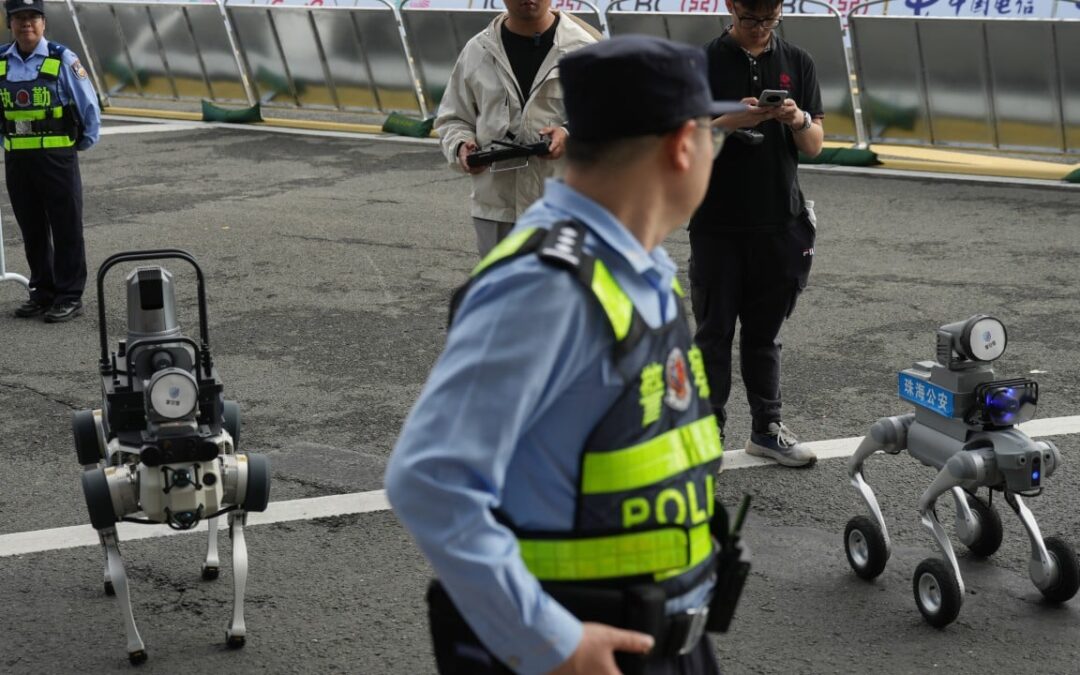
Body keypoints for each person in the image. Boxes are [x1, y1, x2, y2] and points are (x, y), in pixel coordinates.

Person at [387, 36, 745, 675]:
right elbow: (430, 478)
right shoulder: (544, 285)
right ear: (683, 146)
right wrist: (552, 643)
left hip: (667, 641)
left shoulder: (636, 272)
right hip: (586, 651)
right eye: (710, 138)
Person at [688, 0, 824, 467]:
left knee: (765, 336)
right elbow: (679, 142)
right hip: (716, 223)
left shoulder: (798, 61)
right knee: (713, 333)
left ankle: (767, 428)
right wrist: (729, 122)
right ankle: (706, 435)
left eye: (769, 19)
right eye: (750, 19)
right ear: (730, 7)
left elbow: (816, 144)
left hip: (780, 222)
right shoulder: (701, 63)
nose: (760, 29)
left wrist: (796, 118)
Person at [434, 0, 600, 257]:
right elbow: (453, 118)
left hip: (565, 208)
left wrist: (568, 134)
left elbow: (612, 119)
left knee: (561, 294)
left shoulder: (585, 50)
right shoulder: (478, 50)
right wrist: (460, 147)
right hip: (497, 209)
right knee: (502, 293)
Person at [1, 0, 99, 323]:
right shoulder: (1, 62)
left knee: (66, 225)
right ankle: (42, 292)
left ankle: (69, 295)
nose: (25, 24)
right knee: (32, 229)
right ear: (9, 23)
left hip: (57, 158)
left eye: (32, 17)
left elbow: (89, 106)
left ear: (43, 23)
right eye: (18, 18)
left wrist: (80, 144)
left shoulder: (62, 58)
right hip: (18, 160)